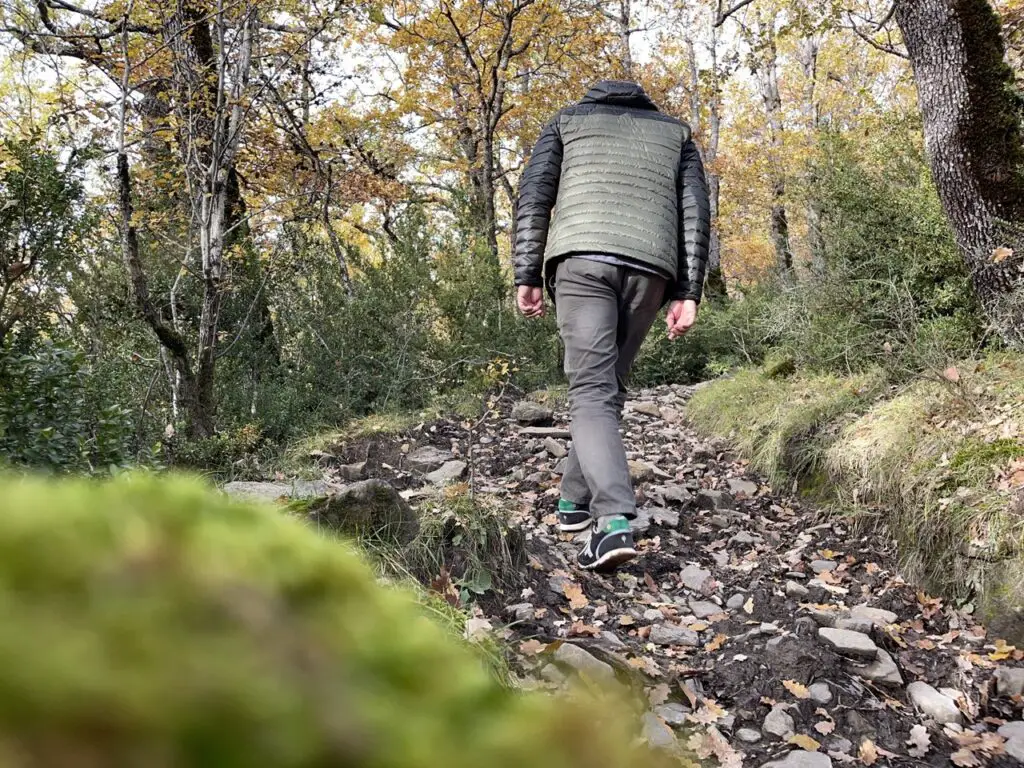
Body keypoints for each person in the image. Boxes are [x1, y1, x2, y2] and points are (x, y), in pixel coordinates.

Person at [513, 79, 711, 571]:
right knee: (607, 388)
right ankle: (571, 503)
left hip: (581, 261)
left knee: (591, 392)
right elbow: (694, 214)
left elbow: (535, 198)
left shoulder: (567, 121)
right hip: (650, 270)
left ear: (593, 97)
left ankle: (613, 522)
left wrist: (527, 273)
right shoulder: (676, 133)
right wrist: (688, 291)